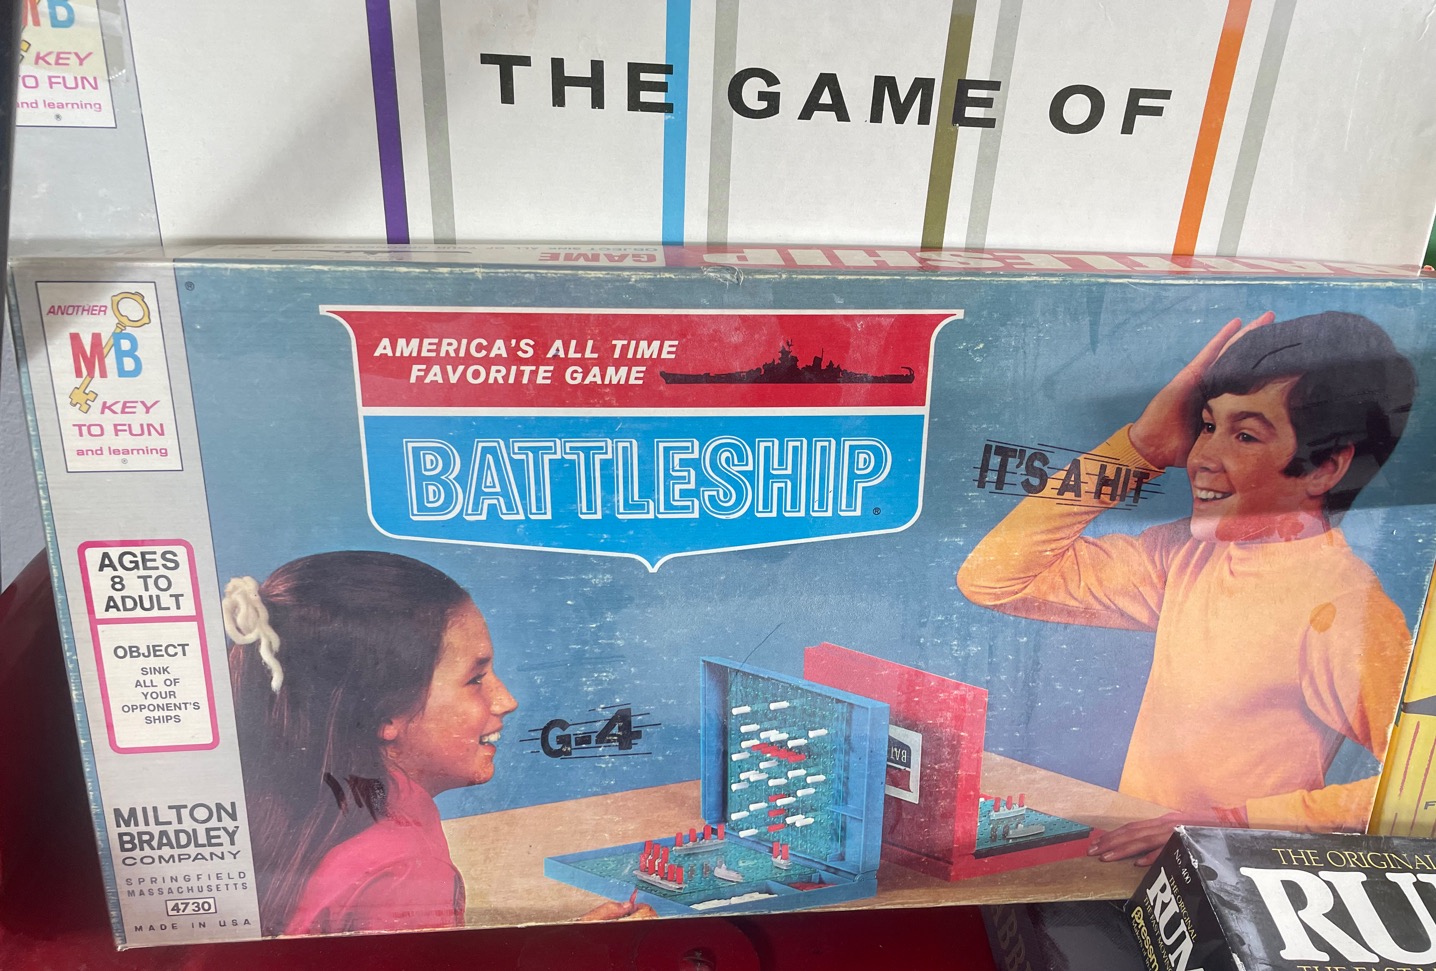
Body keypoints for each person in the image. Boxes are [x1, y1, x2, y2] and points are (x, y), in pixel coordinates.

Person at [957, 311, 1418, 866]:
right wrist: (1139, 449)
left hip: (1229, 880)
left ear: (1324, 468)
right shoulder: (1186, 554)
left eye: (1244, 435)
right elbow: (993, 579)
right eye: (1206, 425)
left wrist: (1232, 824)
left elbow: (1423, 789)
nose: (1201, 458)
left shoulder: (1342, 604)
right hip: (1128, 866)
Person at [224, 550, 650, 935]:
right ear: (384, 715)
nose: (506, 700)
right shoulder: (403, 870)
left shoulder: (298, 815)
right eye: (476, 679)